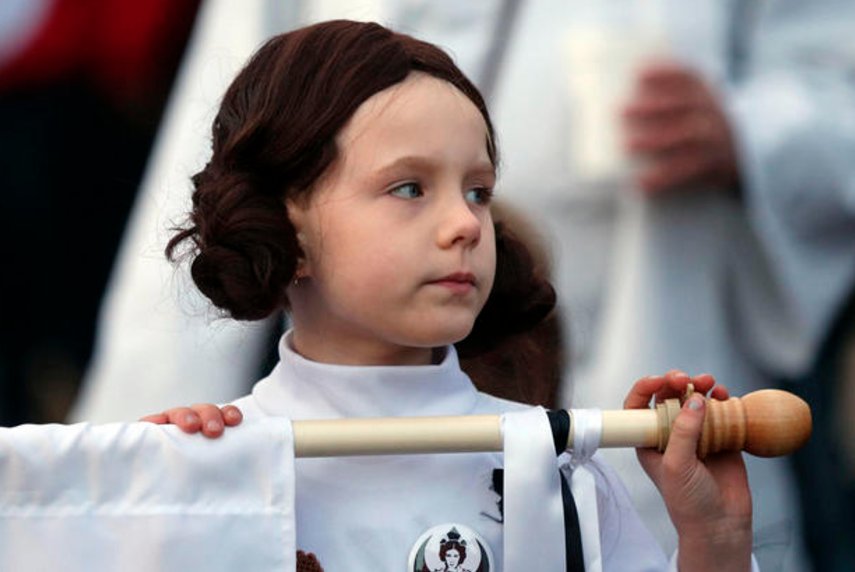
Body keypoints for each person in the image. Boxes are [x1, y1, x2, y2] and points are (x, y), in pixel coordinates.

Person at [141, 20, 757, 571]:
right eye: (410, 188)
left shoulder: (557, 470)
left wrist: (716, 538)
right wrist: (144, 499)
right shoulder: (212, 468)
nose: (466, 224)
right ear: (285, 230)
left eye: (478, 192)